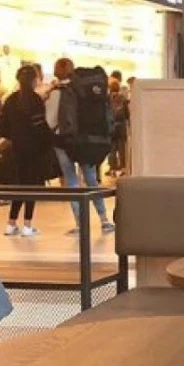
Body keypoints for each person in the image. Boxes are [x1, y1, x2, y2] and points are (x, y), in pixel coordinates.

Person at [45, 58, 115, 235]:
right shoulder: (85, 89)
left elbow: (50, 121)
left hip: (63, 142)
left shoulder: (57, 92)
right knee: (91, 180)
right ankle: (104, 220)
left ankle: (80, 223)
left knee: (72, 181)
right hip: (86, 140)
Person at [0, 65, 53, 237]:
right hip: (34, 149)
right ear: (34, 80)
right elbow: (41, 126)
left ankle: (11, 223)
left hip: (16, 148)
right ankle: (27, 224)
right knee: (31, 186)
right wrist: (49, 141)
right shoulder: (35, 100)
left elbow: (3, 126)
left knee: (19, 185)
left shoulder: (11, 100)